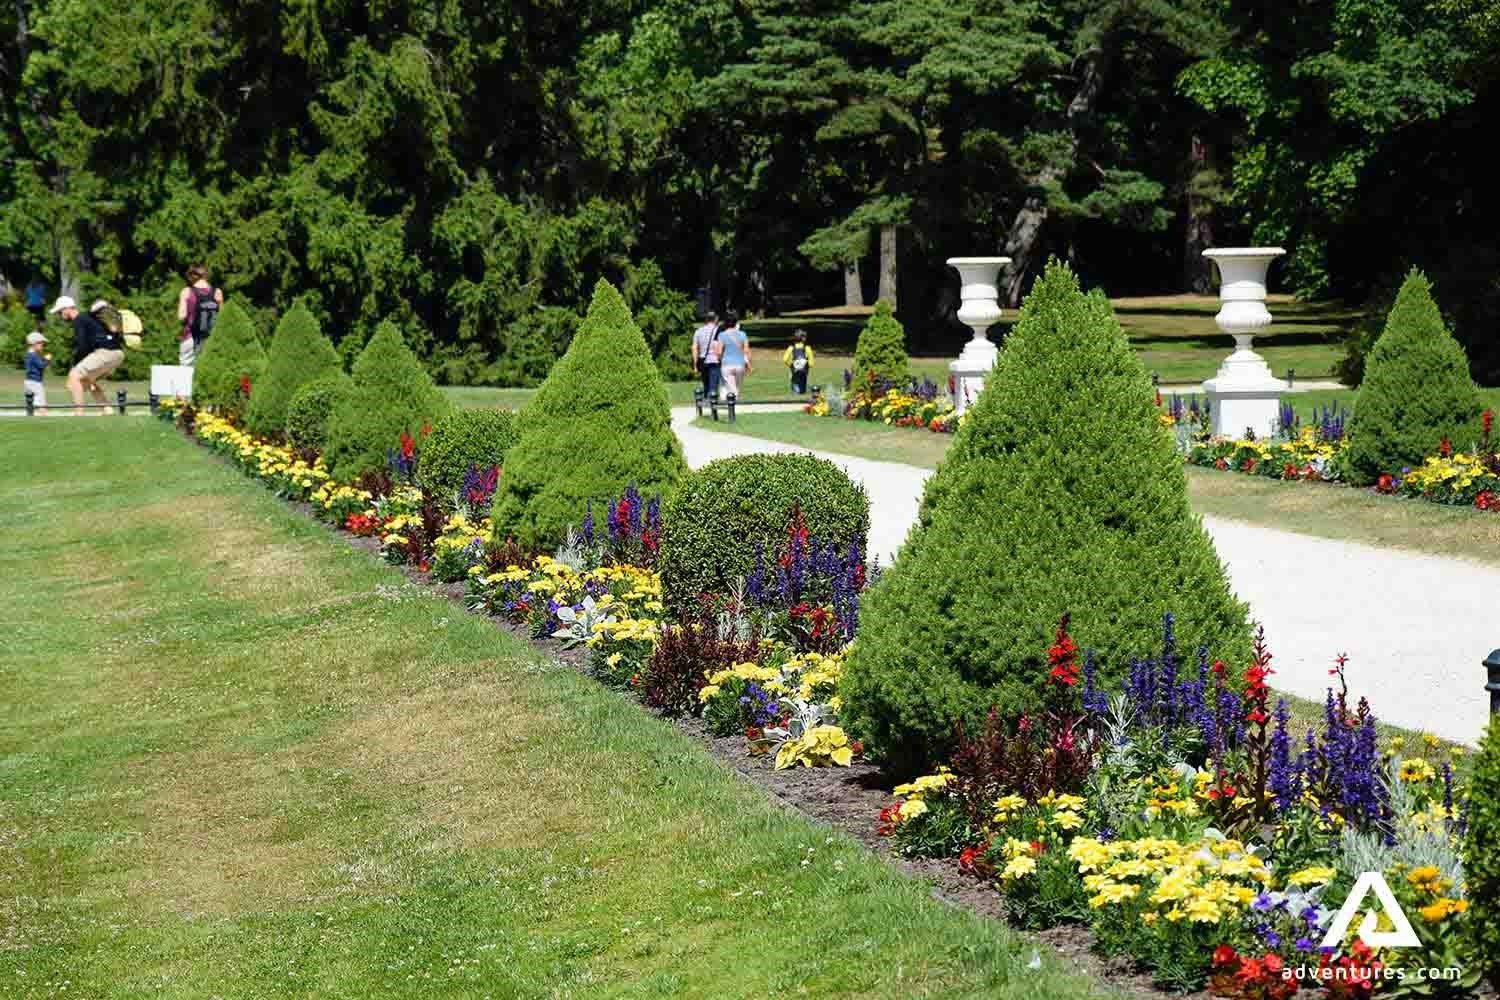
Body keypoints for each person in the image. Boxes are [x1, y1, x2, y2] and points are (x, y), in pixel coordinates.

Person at [50, 295, 124, 415]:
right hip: (117, 353)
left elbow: (83, 345)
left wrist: (75, 364)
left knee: (74, 377)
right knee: (88, 381)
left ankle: (79, 413)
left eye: (59, 312)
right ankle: (107, 409)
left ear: (67, 309)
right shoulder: (88, 318)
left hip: (105, 352)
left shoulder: (79, 320)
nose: (59, 315)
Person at [177, 265, 223, 365]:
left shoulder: (186, 291)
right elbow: (221, 317)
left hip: (190, 336)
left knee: (186, 372)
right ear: (206, 275)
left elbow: (181, 316)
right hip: (210, 338)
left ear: (191, 276)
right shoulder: (217, 292)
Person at [717, 311, 750, 402]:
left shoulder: (722, 335)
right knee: (737, 387)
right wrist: (747, 363)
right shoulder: (743, 334)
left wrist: (720, 359)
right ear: (736, 323)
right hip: (740, 364)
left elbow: (719, 352)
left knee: (731, 387)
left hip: (727, 364)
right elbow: (746, 350)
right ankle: (735, 402)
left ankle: (734, 405)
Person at [691, 311, 719, 402]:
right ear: (715, 319)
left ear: (706, 319)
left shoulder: (698, 331)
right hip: (715, 360)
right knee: (713, 385)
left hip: (703, 360)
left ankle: (706, 402)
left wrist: (695, 364)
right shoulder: (718, 330)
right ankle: (713, 405)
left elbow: (694, 348)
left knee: (706, 384)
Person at [23, 331, 51, 415]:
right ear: (35, 343)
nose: (43, 346)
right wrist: (47, 359)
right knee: (42, 403)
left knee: (31, 402)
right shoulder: (33, 355)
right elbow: (41, 366)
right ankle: (44, 415)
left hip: (29, 381)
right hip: (35, 382)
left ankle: (31, 415)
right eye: (41, 344)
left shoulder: (29, 354)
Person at [782, 329, 814, 394]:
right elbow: (811, 364)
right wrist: (807, 365)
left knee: (795, 386)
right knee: (802, 388)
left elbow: (784, 359)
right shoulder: (807, 348)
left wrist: (791, 365)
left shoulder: (791, 348)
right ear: (803, 338)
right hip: (804, 372)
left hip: (794, 372)